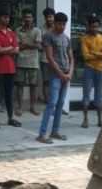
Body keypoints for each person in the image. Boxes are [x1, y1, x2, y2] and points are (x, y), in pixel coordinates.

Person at [38, 12, 73, 144]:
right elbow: (50, 58)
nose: (61, 26)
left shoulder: (67, 38)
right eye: (59, 24)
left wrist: (69, 73)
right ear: (54, 23)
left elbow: (71, 58)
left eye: (64, 24)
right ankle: (42, 133)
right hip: (55, 74)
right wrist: (61, 74)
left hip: (65, 75)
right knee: (52, 103)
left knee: (60, 103)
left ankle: (55, 130)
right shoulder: (48, 36)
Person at [0, 10, 20, 129]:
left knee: (9, 94)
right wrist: (10, 48)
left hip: (10, 68)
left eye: (8, 17)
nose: (7, 19)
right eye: (4, 17)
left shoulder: (11, 33)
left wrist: (6, 49)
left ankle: (10, 117)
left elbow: (16, 50)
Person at [80, 15, 102, 128]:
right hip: (89, 68)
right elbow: (85, 56)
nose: (95, 28)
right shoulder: (84, 38)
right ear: (89, 26)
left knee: (99, 95)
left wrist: (94, 53)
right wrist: (100, 55)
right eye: (92, 26)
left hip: (100, 69)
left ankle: (100, 120)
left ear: (99, 26)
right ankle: (85, 119)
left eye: (96, 26)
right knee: (86, 94)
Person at [15, 9, 41, 116]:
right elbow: (17, 46)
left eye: (30, 17)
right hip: (20, 60)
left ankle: (33, 106)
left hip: (33, 61)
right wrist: (31, 45)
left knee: (33, 85)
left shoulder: (37, 31)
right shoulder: (18, 30)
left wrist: (25, 45)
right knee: (20, 84)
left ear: (33, 18)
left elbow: (39, 46)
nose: (28, 19)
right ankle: (20, 107)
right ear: (23, 18)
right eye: (26, 17)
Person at [38, 8, 55, 106]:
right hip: (45, 59)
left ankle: (54, 100)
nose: (48, 19)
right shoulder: (41, 29)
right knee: (47, 80)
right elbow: (39, 45)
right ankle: (47, 100)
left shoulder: (58, 27)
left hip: (56, 59)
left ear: (54, 16)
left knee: (55, 80)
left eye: (50, 17)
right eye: (46, 17)